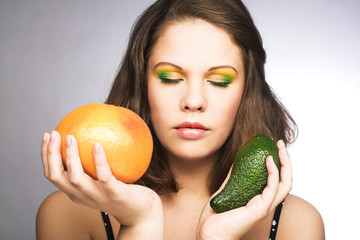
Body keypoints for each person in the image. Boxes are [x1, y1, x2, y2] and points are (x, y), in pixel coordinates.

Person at [36, 0, 325, 239]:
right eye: (170, 78)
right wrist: (139, 224)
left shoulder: (296, 225)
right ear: (142, 84)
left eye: (220, 80)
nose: (194, 101)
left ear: (246, 91)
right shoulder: (67, 214)